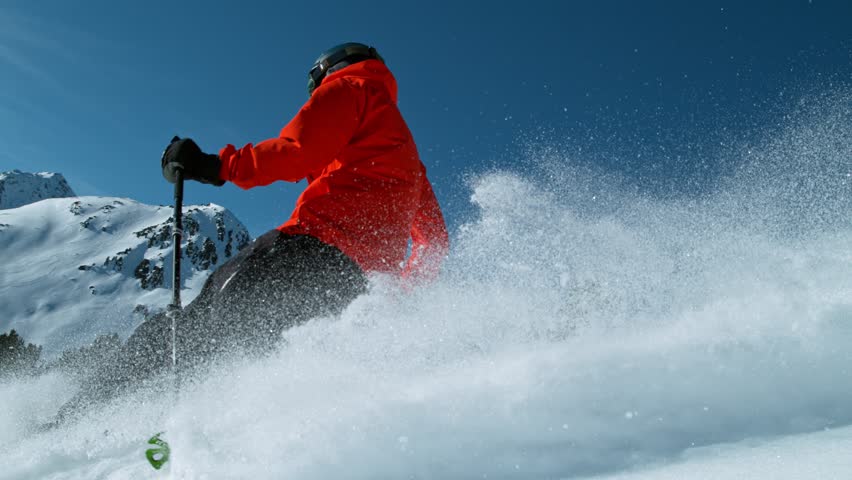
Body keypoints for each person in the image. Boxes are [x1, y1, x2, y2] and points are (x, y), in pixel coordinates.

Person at [59, 42, 449, 420]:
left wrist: (216, 166)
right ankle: (215, 435)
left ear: (327, 71)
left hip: (304, 254)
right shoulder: (408, 155)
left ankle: (80, 417)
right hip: (350, 289)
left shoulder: (350, 88)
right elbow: (434, 240)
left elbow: (297, 150)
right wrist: (397, 290)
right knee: (260, 359)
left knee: (196, 328)